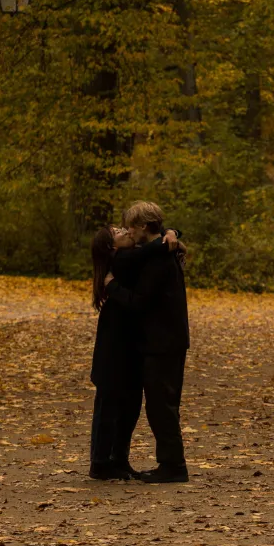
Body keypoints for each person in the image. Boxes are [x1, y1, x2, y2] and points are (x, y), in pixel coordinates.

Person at [104, 201, 190, 484]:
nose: (128, 231)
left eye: (131, 226)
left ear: (143, 227)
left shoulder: (158, 259)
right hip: (166, 339)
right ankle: (170, 463)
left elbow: (141, 302)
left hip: (162, 341)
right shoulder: (161, 251)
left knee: (161, 404)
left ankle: (173, 465)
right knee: (162, 403)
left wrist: (112, 287)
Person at [88, 224, 181, 481]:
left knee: (128, 406)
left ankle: (118, 458)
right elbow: (152, 248)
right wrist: (168, 236)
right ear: (112, 246)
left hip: (129, 344)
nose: (125, 231)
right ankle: (100, 461)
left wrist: (172, 231)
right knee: (108, 406)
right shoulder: (121, 259)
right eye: (118, 231)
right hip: (113, 346)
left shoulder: (129, 257)